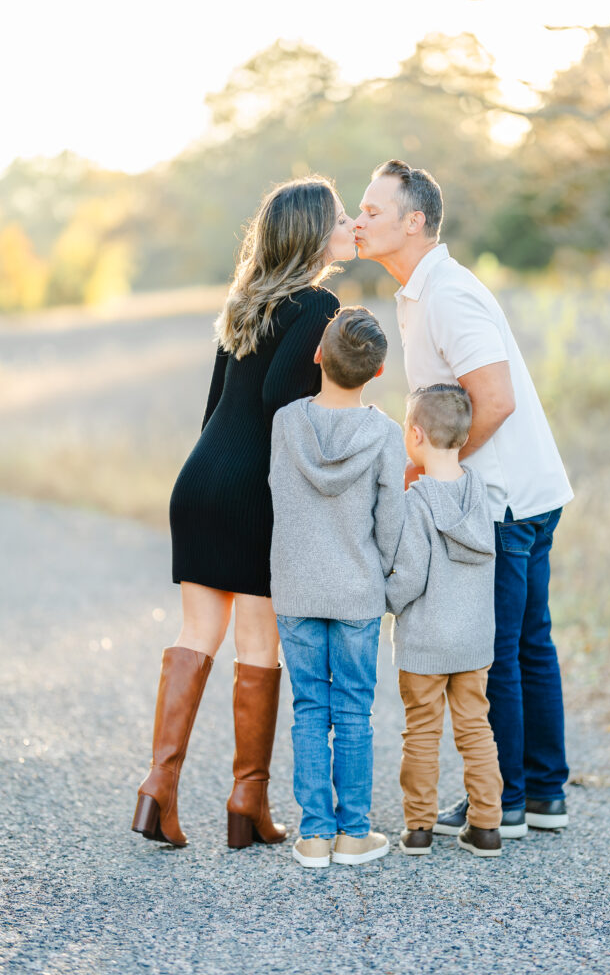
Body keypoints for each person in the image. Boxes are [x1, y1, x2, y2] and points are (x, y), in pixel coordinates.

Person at [132, 176, 356, 850]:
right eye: (341, 217)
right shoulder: (318, 304)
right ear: (314, 232)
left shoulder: (245, 302)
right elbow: (284, 411)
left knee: (196, 634)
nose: (349, 224)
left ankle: (157, 791)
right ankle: (245, 804)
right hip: (253, 490)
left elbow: (213, 409)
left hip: (198, 480)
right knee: (258, 645)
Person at [355, 160, 573, 838]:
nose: (358, 222)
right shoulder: (422, 293)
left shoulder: (447, 294)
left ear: (412, 221)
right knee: (528, 642)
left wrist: (436, 472)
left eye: (370, 211)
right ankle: (543, 795)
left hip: (505, 501)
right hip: (526, 490)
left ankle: (500, 802)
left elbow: (496, 401)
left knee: (501, 649)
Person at [269, 306, 405, 868]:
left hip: (297, 589)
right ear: (377, 374)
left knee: (308, 709)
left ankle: (314, 835)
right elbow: (391, 523)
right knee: (352, 710)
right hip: (357, 594)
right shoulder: (386, 434)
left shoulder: (286, 423)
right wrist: (395, 587)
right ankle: (354, 834)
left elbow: (278, 492)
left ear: (318, 355)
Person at [386, 384, 503, 858]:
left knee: (421, 732)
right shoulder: (481, 494)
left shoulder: (416, 504)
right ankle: (487, 826)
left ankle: (418, 828)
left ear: (414, 435)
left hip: (425, 646)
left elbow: (409, 577)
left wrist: (384, 600)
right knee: (476, 730)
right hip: (473, 644)